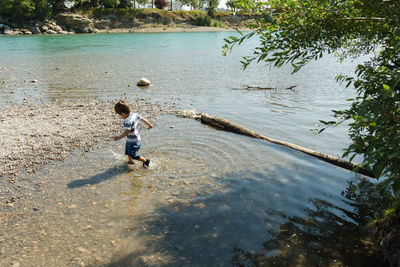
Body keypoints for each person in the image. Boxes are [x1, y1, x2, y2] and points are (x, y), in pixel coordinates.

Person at [113, 100, 153, 168]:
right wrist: (149, 124)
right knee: (129, 152)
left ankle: (146, 161)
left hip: (133, 141)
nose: (120, 116)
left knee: (133, 155)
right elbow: (142, 119)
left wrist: (118, 137)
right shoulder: (134, 114)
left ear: (123, 113)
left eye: (119, 115)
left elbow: (127, 131)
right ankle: (131, 162)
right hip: (134, 138)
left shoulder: (127, 121)